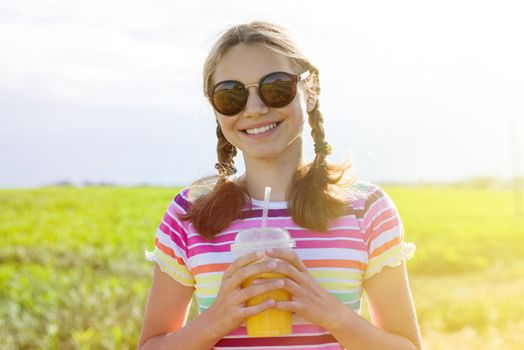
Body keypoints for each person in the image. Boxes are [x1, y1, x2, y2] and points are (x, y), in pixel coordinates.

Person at [138, 21, 424, 350]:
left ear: (310, 90)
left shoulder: (366, 209)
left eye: (275, 88)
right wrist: (216, 318)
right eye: (231, 96)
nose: (256, 109)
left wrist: (331, 314)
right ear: (215, 109)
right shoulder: (188, 214)